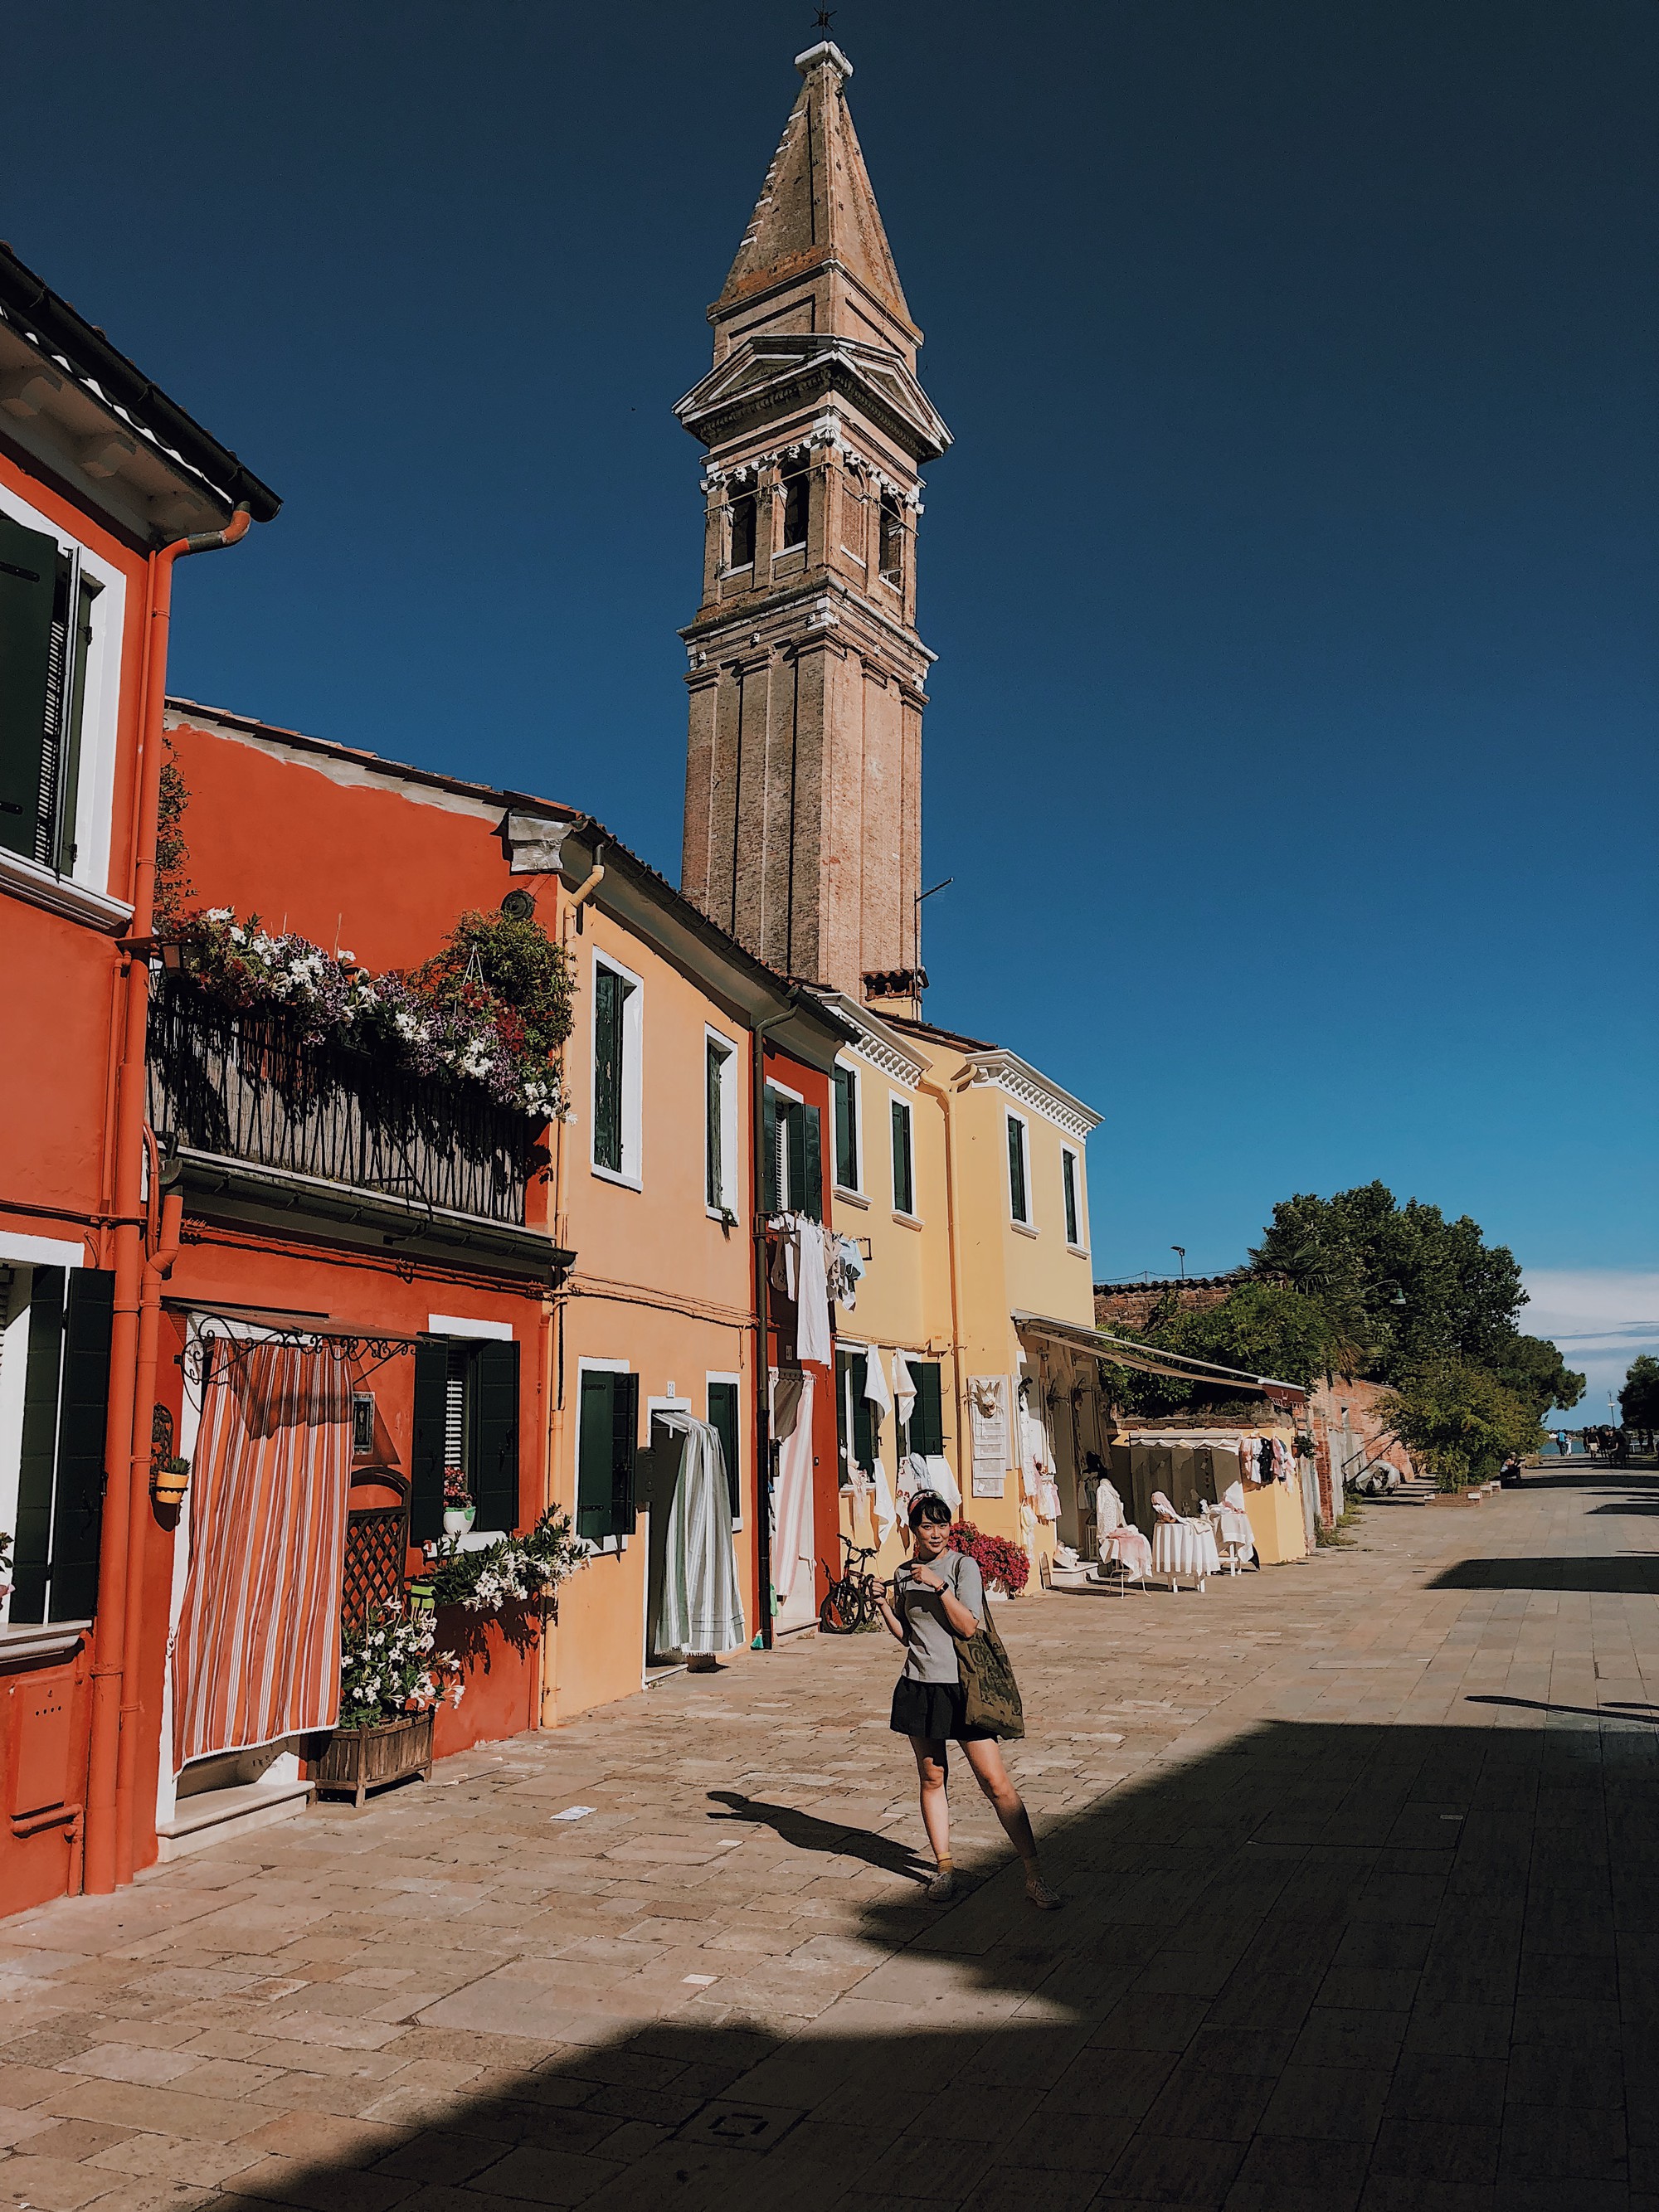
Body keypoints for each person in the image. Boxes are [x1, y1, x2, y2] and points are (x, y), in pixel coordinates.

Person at [873, 1492, 1059, 1910]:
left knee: (994, 1782)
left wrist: (938, 1586)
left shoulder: (962, 1567)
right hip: (919, 1686)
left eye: (942, 1524)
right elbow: (909, 1636)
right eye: (927, 1525)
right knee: (931, 1777)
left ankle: (1034, 1873)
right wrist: (884, 1605)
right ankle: (944, 1868)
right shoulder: (903, 1573)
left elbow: (968, 1627)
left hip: (963, 1687)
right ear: (914, 1529)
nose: (936, 1533)